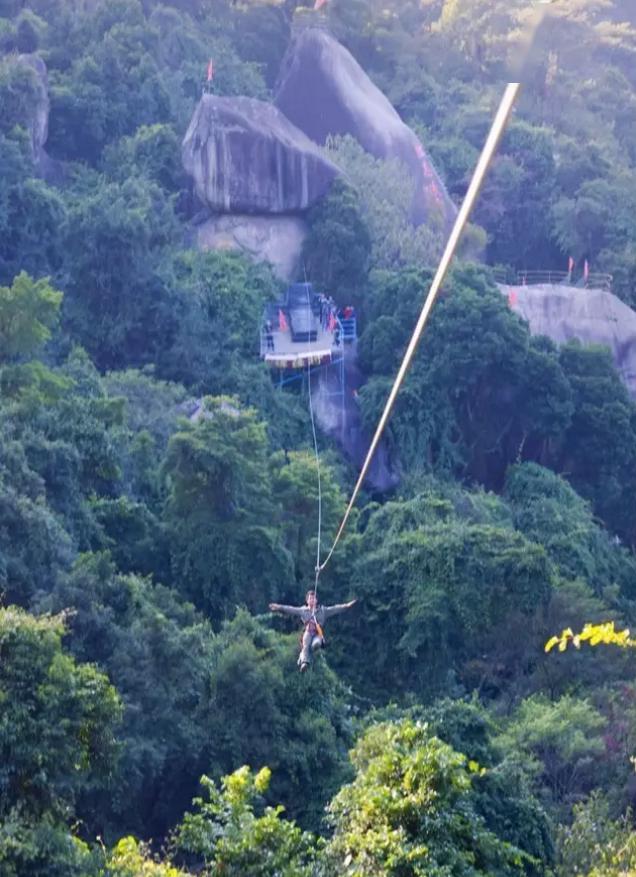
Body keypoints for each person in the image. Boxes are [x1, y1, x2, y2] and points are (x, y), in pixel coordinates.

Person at [269, 590, 356, 672]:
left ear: (316, 600)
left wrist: (347, 606)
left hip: (318, 634)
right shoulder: (303, 610)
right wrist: (278, 607)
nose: (312, 600)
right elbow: (290, 609)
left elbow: (335, 609)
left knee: (316, 644)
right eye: (310, 598)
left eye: (313, 598)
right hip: (308, 632)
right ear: (307, 600)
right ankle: (304, 663)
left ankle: (307, 653)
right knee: (305, 644)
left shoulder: (323, 611)